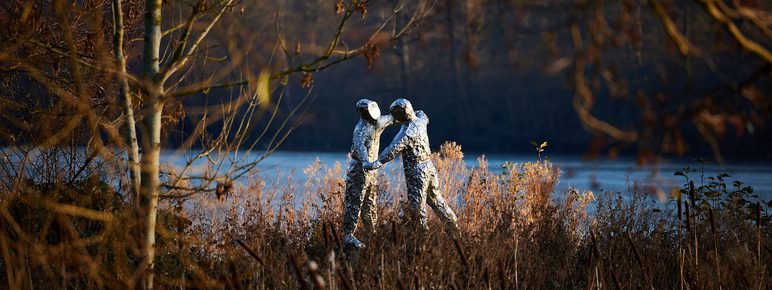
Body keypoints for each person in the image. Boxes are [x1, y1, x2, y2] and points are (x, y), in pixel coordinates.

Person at [364, 98, 459, 236]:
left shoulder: (406, 132)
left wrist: (375, 164)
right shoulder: (421, 121)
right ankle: (455, 230)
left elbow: (391, 150)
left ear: (401, 115)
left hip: (417, 172)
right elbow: (423, 114)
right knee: (437, 200)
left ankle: (421, 240)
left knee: (417, 208)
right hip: (429, 167)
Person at [341, 99, 397, 249]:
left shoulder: (378, 123)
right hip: (358, 171)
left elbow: (391, 119)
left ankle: (371, 235)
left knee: (370, 204)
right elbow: (359, 147)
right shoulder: (361, 129)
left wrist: (408, 114)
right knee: (355, 202)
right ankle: (348, 235)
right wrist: (366, 160)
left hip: (371, 172)